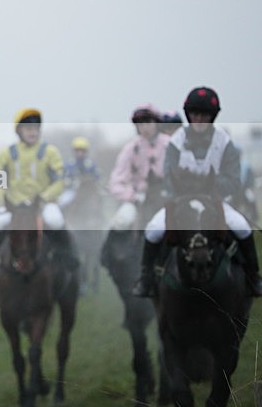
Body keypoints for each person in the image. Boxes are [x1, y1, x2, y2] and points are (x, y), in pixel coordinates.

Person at [132, 87, 262, 297]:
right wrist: (184, 190)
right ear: (188, 114)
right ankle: (146, 279)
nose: (199, 119)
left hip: (215, 201)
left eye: (204, 115)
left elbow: (234, 180)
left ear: (213, 116)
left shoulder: (225, 142)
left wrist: (214, 188)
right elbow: (168, 177)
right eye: (195, 114)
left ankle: (254, 277)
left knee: (242, 227)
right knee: (153, 230)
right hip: (182, 201)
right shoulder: (175, 142)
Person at [0, 108, 79, 270]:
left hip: (42, 204)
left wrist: (45, 197)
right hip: (15, 205)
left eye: (35, 129)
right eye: (28, 129)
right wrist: (4, 199)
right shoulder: (8, 153)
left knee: (55, 220)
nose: (32, 132)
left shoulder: (49, 152)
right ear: (19, 131)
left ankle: (67, 254)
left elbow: (60, 180)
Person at [104, 104, 170, 237]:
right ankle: (109, 257)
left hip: (167, 199)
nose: (144, 127)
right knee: (121, 221)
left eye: (148, 122)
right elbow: (115, 182)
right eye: (140, 124)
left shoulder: (170, 144)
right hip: (139, 198)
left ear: (156, 123)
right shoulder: (131, 148)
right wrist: (132, 196)